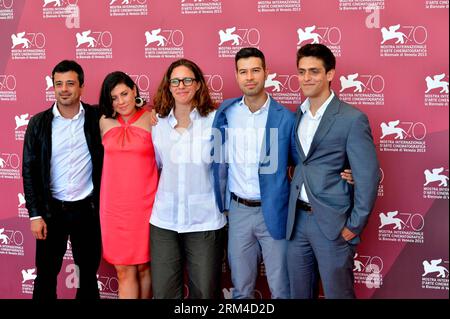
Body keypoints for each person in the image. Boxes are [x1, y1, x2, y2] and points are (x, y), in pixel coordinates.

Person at [212, 47, 353, 299]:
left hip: (275, 212)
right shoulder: (226, 112)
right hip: (238, 212)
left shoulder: (287, 119)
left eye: (255, 70)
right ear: (236, 76)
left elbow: (306, 161)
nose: (250, 77)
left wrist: (345, 170)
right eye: (243, 72)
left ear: (266, 72)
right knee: (240, 289)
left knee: (281, 288)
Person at [286, 43, 380, 299]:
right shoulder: (298, 115)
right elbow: (301, 162)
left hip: (332, 222)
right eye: (302, 71)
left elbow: (368, 177)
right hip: (296, 223)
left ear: (330, 74)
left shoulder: (352, 118)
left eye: (314, 71)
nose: (306, 78)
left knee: (338, 294)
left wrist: (355, 225)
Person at [22, 60, 103, 299]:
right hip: (51, 211)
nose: (64, 89)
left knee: (87, 276)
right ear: (53, 87)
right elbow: (29, 170)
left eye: (70, 83)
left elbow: (128, 110)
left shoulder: (96, 117)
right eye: (59, 84)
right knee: (46, 275)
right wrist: (35, 214)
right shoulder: (38, 123)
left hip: (86, 211)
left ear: (81, 87)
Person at [150, 59, 227, 299]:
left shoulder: (215, 120)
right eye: (175, 80)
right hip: (165, 222)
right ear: (168, 85)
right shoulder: (157, 124)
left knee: (204, 294)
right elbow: (157, 164)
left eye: (187, 80)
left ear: (197, 85)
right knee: (163, 293)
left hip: (204, 220)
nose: (181, 85)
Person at [98, 71, 158, 299]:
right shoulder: (103, 121)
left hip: (146, 205)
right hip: (113, 208)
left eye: (124, 94)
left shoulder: (154, 118)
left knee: (144, 267)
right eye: (114, 97)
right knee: (123, 271)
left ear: (134, 90)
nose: (121, 101)